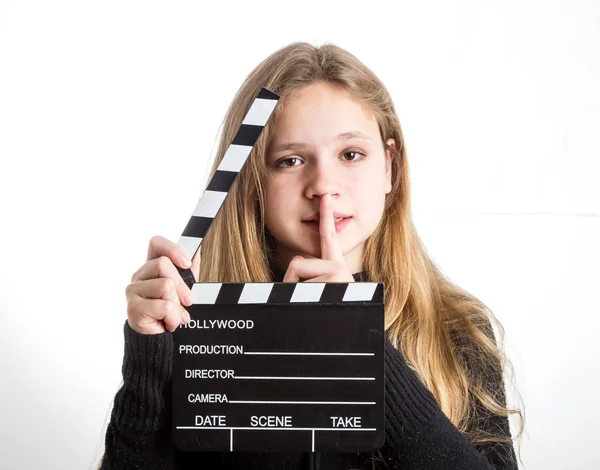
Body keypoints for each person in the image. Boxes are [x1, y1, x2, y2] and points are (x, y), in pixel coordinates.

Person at [97, 42, 524, 469]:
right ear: (252, 181)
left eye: (350, 154)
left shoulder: (456, 331)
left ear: (390, 167)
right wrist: (150, 358)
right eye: (291, 160)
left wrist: (363, 346)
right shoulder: (196, 330)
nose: (323, 184)